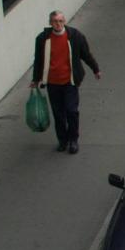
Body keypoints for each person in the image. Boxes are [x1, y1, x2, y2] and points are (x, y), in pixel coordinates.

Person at [30, 10, 101, 154]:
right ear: (50, 23)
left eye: (61, 21)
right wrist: (35, 79)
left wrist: (96, 69)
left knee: (72, 111)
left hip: (70, 81)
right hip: (52, 83)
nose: (58, 24)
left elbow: (85, 54)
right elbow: (38, 60)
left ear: (65, 21)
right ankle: (63, 140)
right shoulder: (43, 39)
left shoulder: (75, 36)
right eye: (55, 21)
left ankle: (73, 140)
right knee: (58, 113)